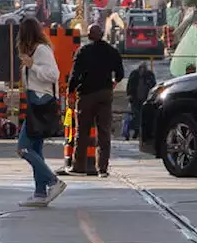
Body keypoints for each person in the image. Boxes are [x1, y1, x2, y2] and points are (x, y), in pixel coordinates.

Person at [15, 18, 66, 207]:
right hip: (34, 101)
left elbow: (54, 75)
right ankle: (39, 193)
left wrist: (32, 66)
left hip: (41, 102)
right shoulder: (33, 52)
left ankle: (53, 181)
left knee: (23, 147)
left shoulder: (42, 51)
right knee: (36, 149)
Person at [65, 24, 124, 177]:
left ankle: (79, 167)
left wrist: (70, 93)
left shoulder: (83, 51)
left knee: (82, 132)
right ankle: (102, 169)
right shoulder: (112, 51)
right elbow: (120, 73)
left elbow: (74, 75)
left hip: (86, 95)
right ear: (103, 34)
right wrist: (112, 83)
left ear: (89, 36)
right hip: (105, 94)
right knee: (104, 132)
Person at [124, 63, 157, 140]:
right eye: (141, 70)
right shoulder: (134, 74)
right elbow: (129, 85)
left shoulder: (149, 75)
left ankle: (140, 132)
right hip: (135, 98)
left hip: (145, 99)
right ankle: (136, 131)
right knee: (136, 115)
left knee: (143, 116)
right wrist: (129, 94)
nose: (142, 72)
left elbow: (153, 85)